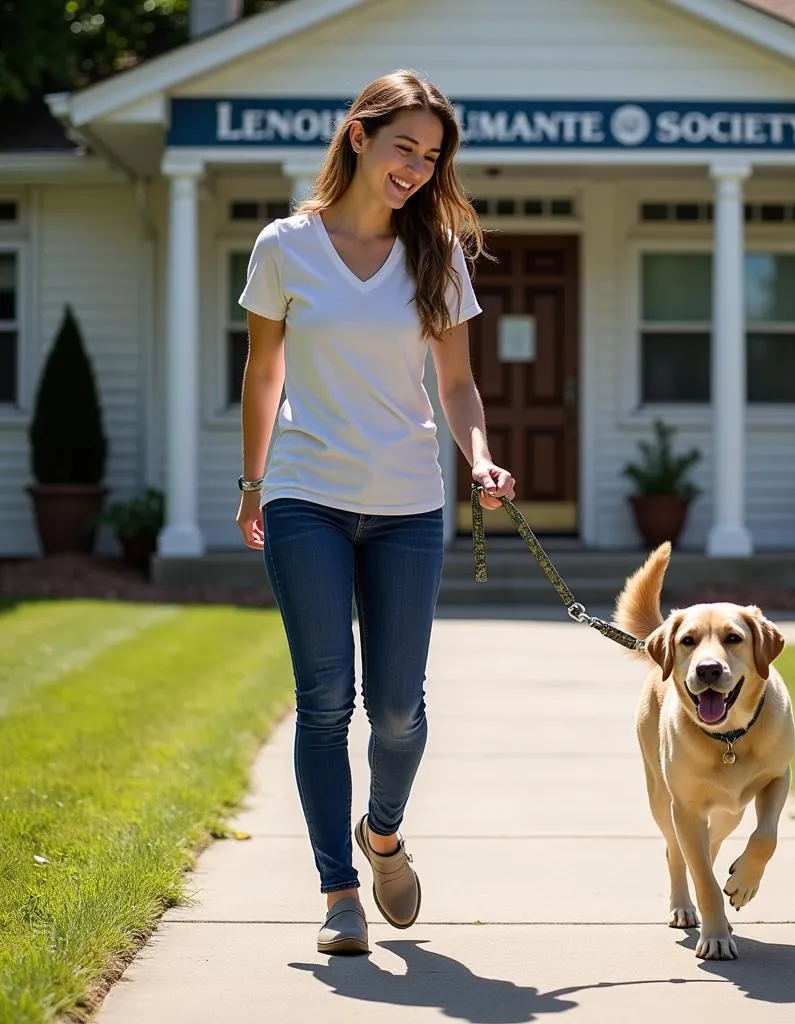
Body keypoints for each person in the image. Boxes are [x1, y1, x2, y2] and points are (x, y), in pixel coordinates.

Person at [234, 69, 515, 956]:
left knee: (397, 711)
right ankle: (339, 892)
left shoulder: (438, 254)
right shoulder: (285, 246)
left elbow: (460, 385)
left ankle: (382, 834)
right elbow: (263, 374)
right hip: (305, 494)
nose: (418, 170)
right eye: (406, 148)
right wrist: (252, 482)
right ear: (359, 135)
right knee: (324, 701)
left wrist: (481, 457)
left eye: (432, 158)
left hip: (405, 505)